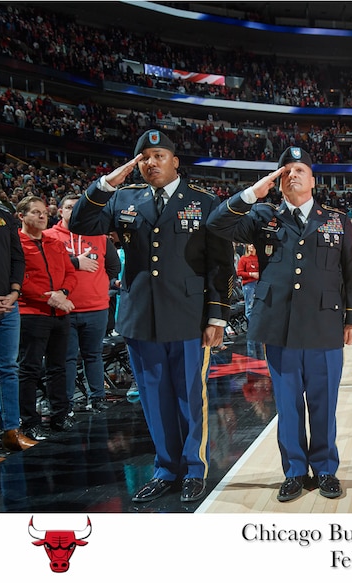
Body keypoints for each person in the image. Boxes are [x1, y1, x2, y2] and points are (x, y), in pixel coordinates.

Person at [70, 129, 235, 503]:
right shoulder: (123, 199)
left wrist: (218, 317)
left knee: (191, 398)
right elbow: (79, 224)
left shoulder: (204, 201)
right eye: (144, 157)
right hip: (141, 317)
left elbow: (221, 266)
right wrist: (106, 185)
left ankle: (194, 468)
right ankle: (166, 469)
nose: (151, 163)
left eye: (159, 155)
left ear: (175, 161)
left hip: (190, 317)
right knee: (153, 400)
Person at [207, 146, 352, 502]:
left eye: (300, 169)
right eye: (286, 171)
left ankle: (325, 468)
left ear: (313, 179)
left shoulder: (337, 219)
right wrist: (252, 193)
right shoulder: (263, 215)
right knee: (288, 403)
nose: (293, 175)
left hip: (325, 323)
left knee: (323, 404)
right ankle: (294, 470)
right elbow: (216, 224)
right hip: (280, 325)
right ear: (278, 182)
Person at [45, 194, 121, 413]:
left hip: (96, 307)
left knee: (93, 355)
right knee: (65, 359)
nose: (74, 211)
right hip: (62, 309)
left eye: (78, 207)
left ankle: (97, 398)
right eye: (69, 207)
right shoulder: (49, 236)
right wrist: (75, 263)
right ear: (60, 211)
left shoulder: (100, 236)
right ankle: (65, 405)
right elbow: (46, 266)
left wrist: (99, 287)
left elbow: (113, 268)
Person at [16, 196, 77, 441]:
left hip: (60, 313)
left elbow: (70, 273)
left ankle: (59, 415)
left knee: (57, 367)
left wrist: (62, 293)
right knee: (29, 369)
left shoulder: (54, 243)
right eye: (35, 213)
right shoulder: (15, 244)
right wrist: (48, 297)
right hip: (31, 314)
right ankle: (29, 422)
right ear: (21, 216)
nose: (42, 216)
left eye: (44, 213)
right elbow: (19, 279)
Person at [0, 199, 38, 453]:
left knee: (8, 368)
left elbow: (17, 257)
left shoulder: (2, 212)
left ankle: (11, 432)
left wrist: (14, 291)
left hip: (8, 305)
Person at [236, 243, 259, 320]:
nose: (251, 245)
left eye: (253, 244)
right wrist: (251, 274)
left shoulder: (258, 258)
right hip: (249, 284)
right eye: (249, 244)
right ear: (246, 246)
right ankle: (250, 327)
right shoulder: (243, 258)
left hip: (259, 283)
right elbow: (239, 272)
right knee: (249, 307)